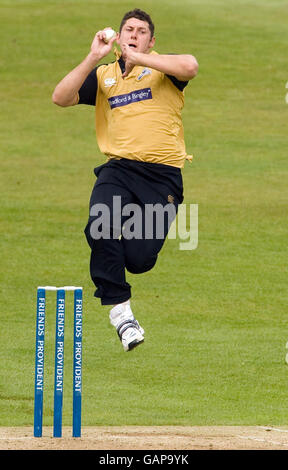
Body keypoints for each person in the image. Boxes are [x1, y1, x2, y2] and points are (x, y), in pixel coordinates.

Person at [52, 8, 198, 352]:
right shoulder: (105, 76)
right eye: (129, 30)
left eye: (142, 31)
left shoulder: (164, 69)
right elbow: (60, 97)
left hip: (162, 178)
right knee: (100, 225)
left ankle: (122, 292)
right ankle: (121, 314)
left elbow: (190, 66)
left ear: (151, 40)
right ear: (118, 37)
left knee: (139, 260)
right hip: (118, 170)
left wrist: (143, 59)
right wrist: (93, 57)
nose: (134, 34)